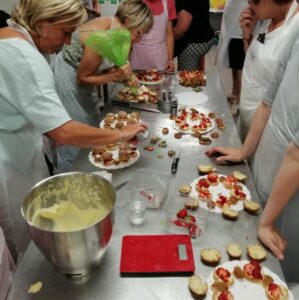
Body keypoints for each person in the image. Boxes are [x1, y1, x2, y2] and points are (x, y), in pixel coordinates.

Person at [0, 0, 147, 256]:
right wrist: (120, 133)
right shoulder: (23, 56)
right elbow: (65, 132)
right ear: (43, 24)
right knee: (24, 235)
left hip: (18, 139)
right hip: (8, 158)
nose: (68, 42)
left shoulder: (14, 38)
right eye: (66, 33)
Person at [206, 30, 299, 282]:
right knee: (254, 215)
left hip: (294, 182)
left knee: (281, 264)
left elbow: (297, 155)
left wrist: (267, 223)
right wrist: (244, 151)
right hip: (270, 153)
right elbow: (268, 102)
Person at [52, 0, 153, 172]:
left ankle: (89, 164)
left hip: (84, 75)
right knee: (77, 130)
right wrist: (115, 76)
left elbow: (113, 64)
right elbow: (82, 79)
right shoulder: (100, 37)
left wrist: (126, 78)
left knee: (91, 122)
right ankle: (71, 171)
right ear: (128, 21)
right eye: (139, 33)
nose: (139, 38)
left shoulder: (120, 32)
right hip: (69, 78)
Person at [239, 0, 299, 141]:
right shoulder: (268, 20)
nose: (248, 7)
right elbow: (255, 62)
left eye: (251, 3)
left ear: (266, 2)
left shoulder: (296, 30)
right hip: (249, 111)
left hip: (269, 125)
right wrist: (247, 35)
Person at [216, 0, 248, 116]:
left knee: (239, 66)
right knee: (234, 64)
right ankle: (235, 92)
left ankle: (239, 102)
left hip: (240, 29)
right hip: (233, 26)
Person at [130, 0, 177, 72]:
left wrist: (170, 60)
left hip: (159, 58)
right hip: (138, 57)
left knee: (161, 81)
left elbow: (169, 32)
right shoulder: (134, 2)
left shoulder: (169, 2)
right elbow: (128, 31)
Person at [173, 0, 215, 71]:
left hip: (192, 42)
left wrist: (165, 40)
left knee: (187, 77)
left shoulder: (187, 2)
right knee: (195, 73)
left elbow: (181, 29)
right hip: (203, 36)